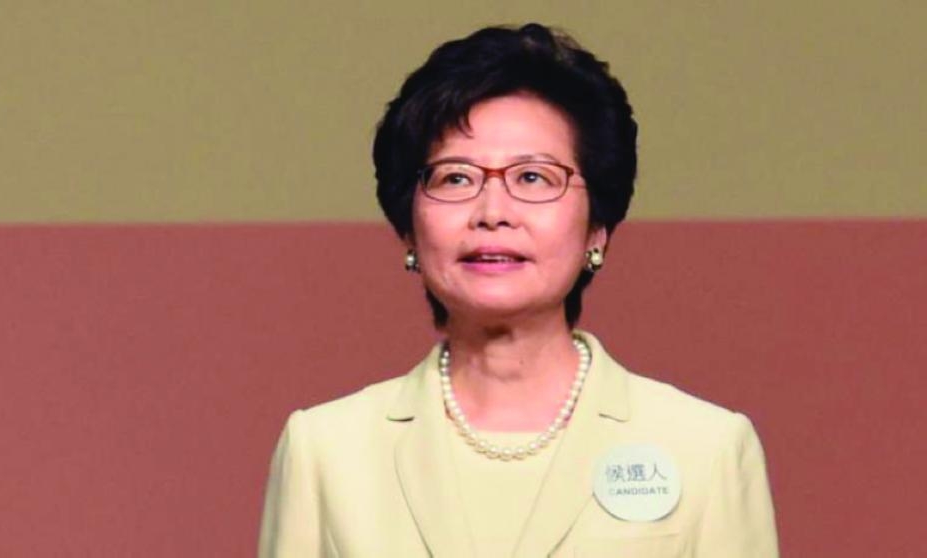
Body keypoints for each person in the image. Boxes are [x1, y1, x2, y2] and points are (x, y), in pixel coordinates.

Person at [258, 23, 778, 557]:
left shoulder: (705, 447)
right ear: (409, 228)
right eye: (456, 178)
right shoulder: (326, 451)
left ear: (597, 228)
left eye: (532, 178)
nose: (493, 213)